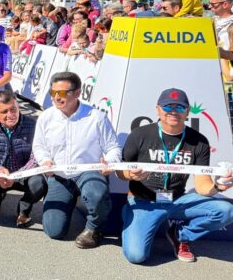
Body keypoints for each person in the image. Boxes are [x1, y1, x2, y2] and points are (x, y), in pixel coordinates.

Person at [117, 88, 233, 264]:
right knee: (136, 256)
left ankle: (179, 234)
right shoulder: (140, 134)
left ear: (187, 111)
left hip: (177, 200)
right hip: (144, 201)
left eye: (179, 107)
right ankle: (132, 216)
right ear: (157, 109)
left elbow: (202, 186)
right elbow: (120, 172)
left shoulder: (199, 141)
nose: (173, 111)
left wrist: (218, 187)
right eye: (167, 107)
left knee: (226, 210)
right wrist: (130, 174)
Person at [32, 72, 121, 248]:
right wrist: (45, 160)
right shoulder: (46, 117)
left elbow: (113, 147)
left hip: (88, 172)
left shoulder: (96, 117)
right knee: (54, 231)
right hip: (59, 175)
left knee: (96, 194)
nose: (57, 97)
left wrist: (110, 162)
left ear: (78, 93)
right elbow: (39, 146)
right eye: (53, 92)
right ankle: (68, 201)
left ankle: (94, 228)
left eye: (63, 93)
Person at [0, 90, 46, 226]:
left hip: (24, 175)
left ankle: (23, 211)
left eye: (13, 109)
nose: (10, 115)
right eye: (4, 112)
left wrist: (16, 176)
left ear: (18, 107)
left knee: (39, 183)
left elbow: (35, 159)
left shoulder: (34, 125)